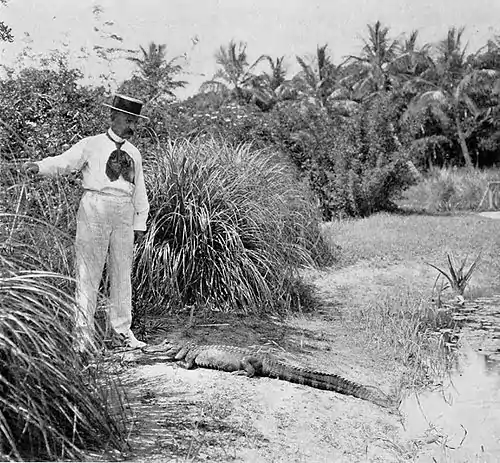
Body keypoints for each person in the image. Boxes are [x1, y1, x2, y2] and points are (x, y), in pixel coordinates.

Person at [23, 94, 150, 352]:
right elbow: (64, 162)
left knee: (122, 273)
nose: (132, 127)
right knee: (88, 273)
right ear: (113, 117)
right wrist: (39, 166)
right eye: (128, 120)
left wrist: (140, 222)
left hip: (124, 212)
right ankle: (83, 337)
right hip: (95, 207)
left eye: (135, 122)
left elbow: (140, 191)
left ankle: (122, 332)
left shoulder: (134, 153)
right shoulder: (91, 144)